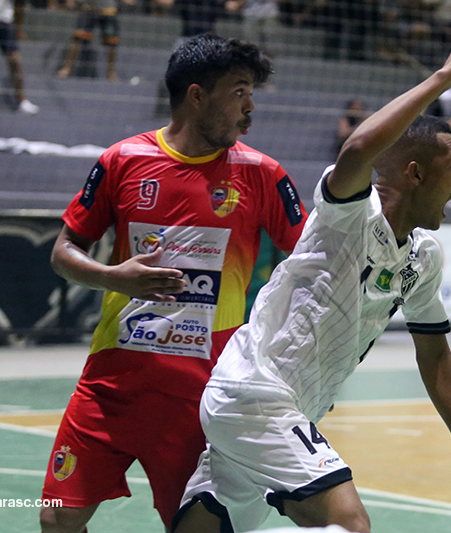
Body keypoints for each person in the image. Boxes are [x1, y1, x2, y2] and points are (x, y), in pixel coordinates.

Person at [172, 41, 451, 533]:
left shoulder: (423, 257)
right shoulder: (347, 214)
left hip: (290, 408)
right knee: (349, 525)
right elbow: (360, 149)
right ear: (415, 173)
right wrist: (443, 79)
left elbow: (435, 356)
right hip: (257, 393)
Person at [39, 34, 308, 533]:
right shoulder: (122, 161)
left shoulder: (263, 174)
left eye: (252, 94)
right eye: (239, 93)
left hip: (203, 398)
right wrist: (112, 276)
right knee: (57, 519)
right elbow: (63, 253)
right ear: (196, 95)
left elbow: (315, 263)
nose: (250, 109)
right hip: (109, 385)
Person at [56, 0, 136, 81]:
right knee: (78, 38)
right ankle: (67, 68)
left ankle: (111, 73)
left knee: (112, 42)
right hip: (89, 10)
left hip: (108, 11)